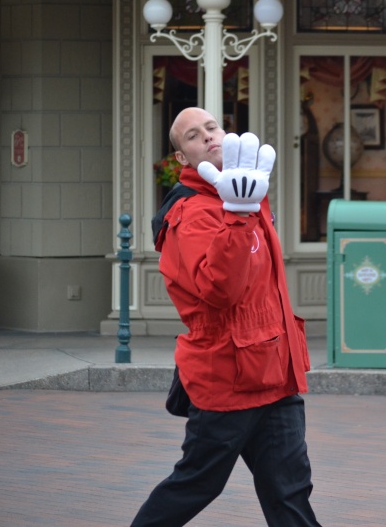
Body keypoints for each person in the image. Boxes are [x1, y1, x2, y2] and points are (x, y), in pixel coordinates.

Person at [132, 108, 320, 527]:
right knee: (196, 484)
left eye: (212, 128)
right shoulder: (192, 213)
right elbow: (220, 292)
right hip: (229, 376)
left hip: (273, 372)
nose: (210, 138)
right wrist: (237, 214)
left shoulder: (246, 190)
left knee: (290, 490)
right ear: (182, 158)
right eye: (195, 136)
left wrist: (242, 205)